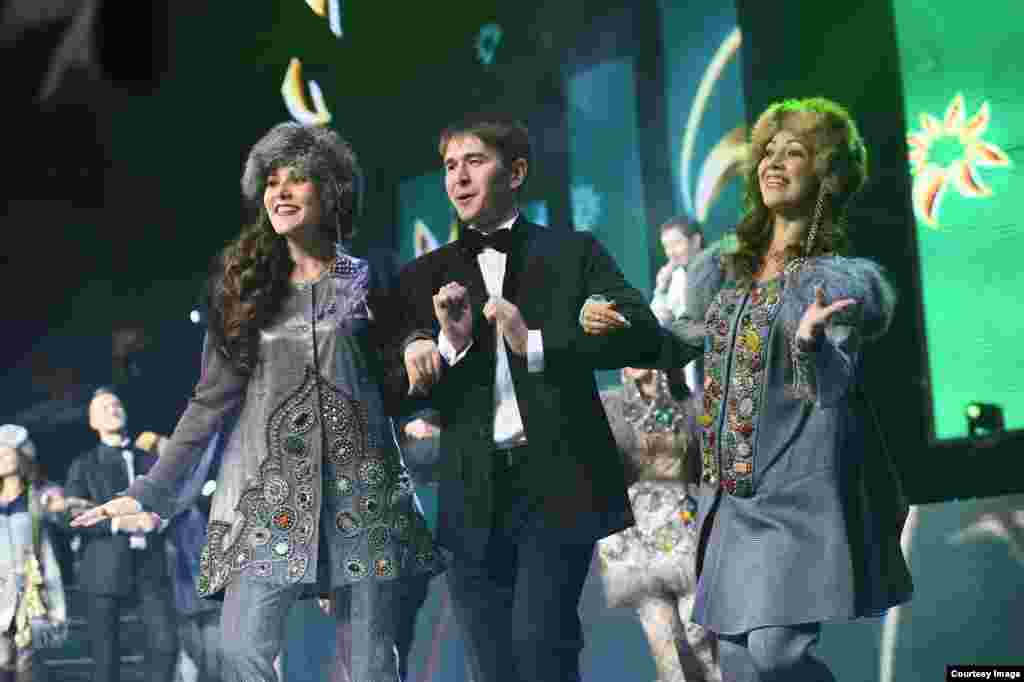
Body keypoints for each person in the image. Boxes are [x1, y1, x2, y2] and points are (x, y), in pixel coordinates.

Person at [72, 121, 444, 682]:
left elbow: (397, 369)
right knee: (241, 647)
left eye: (297, 179)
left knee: (371, 665)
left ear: (332, 192)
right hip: (266, 497)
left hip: (361, 495)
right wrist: (150, 489)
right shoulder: (246, 289)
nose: (281, 192)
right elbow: (208, 403)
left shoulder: (369, 277)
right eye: (272, 182)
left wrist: (418, 343)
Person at [582, 96, 912, 681]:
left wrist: (810, 342)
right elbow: (680, 340)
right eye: (767, 152)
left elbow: (837, 385)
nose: (773, 163)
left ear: (827, 175)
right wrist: (620, 328)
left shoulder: (835, 282)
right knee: (736, 660)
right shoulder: (724, 271)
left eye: (795, 152)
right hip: (731, 492)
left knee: (776, 652)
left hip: (798, 488)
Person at [391, 112, 678, 682]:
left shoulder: (573, 252)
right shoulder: (424, 274)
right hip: (470, 490)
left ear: (516, 172)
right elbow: (394, 389)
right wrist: (445, 345)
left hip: (557, 479)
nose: (458, 178)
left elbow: (644, 335)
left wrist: (536, 342)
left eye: (475, 162)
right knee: (492, 666)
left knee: (543, 648)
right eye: (450, 166)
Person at [596, 367, 720, 682]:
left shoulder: (689, 405)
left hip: (684, 538)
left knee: (702, 644)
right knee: (667, 653)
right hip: (634, 544)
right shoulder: (609, 405)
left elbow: (705, 469)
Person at [62, 388, 179, 682]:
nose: (113, 410)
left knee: (165, 647)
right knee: (106, 659)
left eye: (116, 404)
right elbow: (72, 516)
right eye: (103, 407)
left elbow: (173, 499)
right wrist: (118, 524)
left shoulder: (151, 460)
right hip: (103, 568)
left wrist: (157, 519)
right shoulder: (83, 464)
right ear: (93, 422)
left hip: (151, 566)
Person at [0, 424, 68, 682]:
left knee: (27, 662)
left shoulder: (41, 495)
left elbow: (63, 515)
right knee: (2, 662)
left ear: (22, 455)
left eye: (6, 452)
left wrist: (61, 506)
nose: (0, 458)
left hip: (32, 592)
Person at [650, 217, 704, 328]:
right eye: (666, 246)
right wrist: (662, 289)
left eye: (676, 243)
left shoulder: (714, 270)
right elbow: (656, 322)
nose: (671, 252)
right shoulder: (677, 276)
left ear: (695, 241)